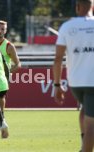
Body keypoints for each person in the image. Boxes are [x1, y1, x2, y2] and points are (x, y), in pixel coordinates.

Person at [53, 0, 94, 151]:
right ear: (92, 7)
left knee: (85, 110)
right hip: (92, 82)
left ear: (78, 7)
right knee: (92, 127)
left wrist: (57, 85)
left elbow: (58, 59)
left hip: (76, 83)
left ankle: (84, 143)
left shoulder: (67, 26)